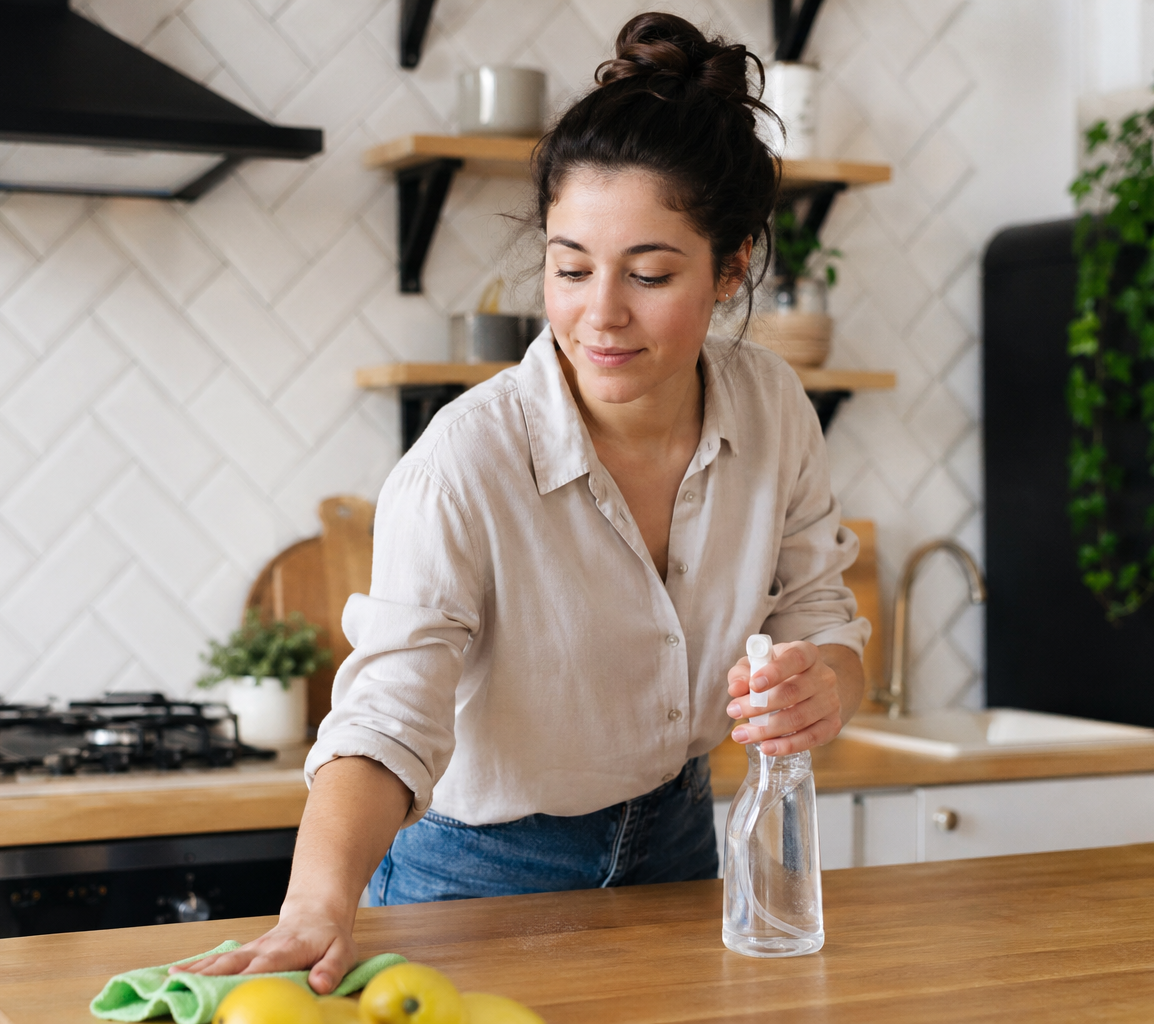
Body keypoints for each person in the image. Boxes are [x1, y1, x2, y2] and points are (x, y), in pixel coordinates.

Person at [177, 11, 869, 990]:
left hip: (679, 837)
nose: (602, 313)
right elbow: (385, 718)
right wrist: (315, 904)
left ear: (734, 266)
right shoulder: (460, 466)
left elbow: (823, 621)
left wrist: (824, 684)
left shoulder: (775, 408)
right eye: (571, 266)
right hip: (478, 869)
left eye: (651, 272)